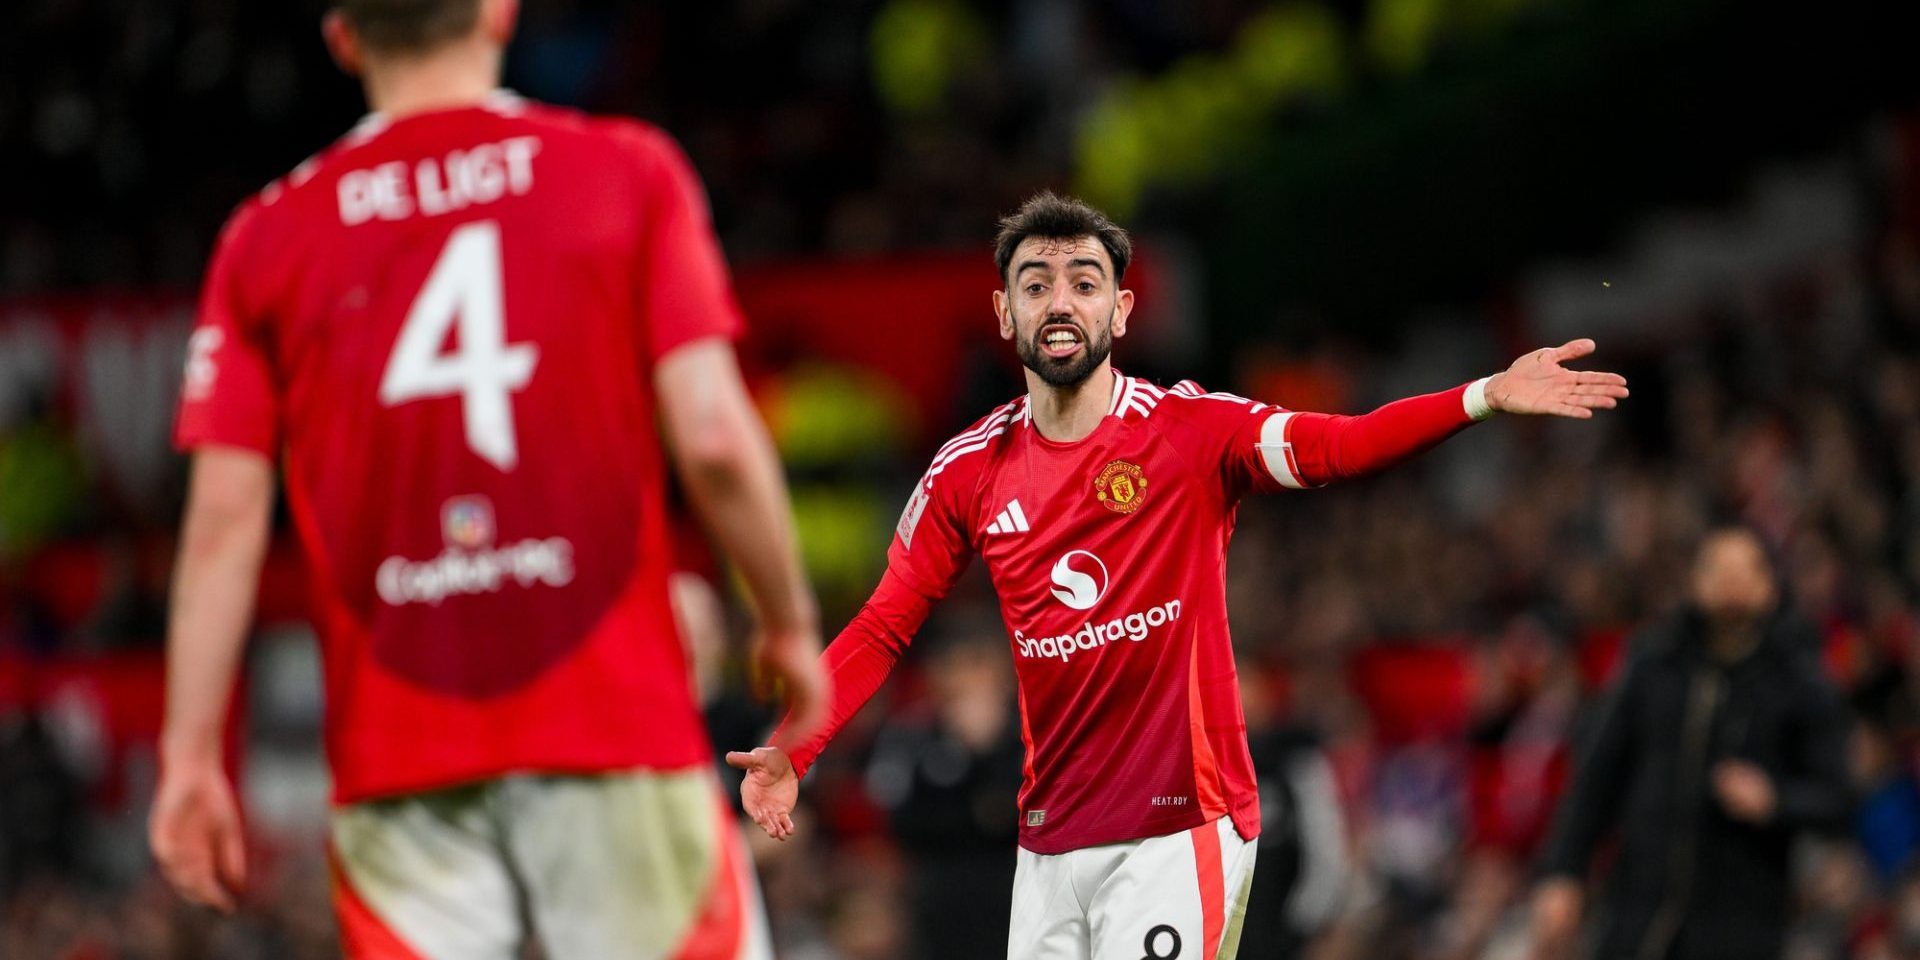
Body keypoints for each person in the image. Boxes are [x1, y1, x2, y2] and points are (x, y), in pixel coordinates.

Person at [727, 191, 1629, 959]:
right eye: (1035, 285)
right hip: (1047, 845)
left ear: (1121, 311)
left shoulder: (1190, 433)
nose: (1060, 303)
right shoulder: (967, 469)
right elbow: (885, 623)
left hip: (1179, 827)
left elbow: (1337, 447)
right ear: (1004, 315)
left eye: (1085, 283)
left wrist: (1482, 395)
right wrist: (793, 748)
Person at [146, 0, 828, 956]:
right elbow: (714, 435)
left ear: (341, 36)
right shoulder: (623, 170)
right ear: (501, 12)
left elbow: (222, 520)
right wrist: (787, 620)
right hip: (614, 726)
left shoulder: (266, 236)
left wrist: (188, 758)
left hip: (399, 763)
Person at [1530, 528, 1853, 960]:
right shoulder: (1654, 663)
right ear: (1695, 580)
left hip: (1741, 922)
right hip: (1639, 911)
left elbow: (1838, 796)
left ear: (1770, 584)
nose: (1732, 581)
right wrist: (1563, 872)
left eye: (1746, 569)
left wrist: (1775, 799)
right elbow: (1597, 776)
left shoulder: (1798, 678)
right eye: (1719, 568)